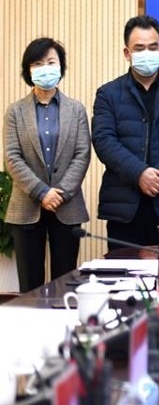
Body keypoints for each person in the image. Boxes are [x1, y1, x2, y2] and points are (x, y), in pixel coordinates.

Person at [92, 15, 159, 249]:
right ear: (127, 53)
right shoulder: (108, 94)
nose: (147, 53)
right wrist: (139, 173)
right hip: (124, 208)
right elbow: (103, 141)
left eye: (152, 47)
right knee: (123, 270)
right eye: (139, 48)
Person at [3, 38, 91, 292]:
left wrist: (60, 193)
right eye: (38, 63)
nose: (45, 68)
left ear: (61, 67)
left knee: (65, 282)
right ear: (28, 70)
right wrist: (42, 192)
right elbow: (12, 157)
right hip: (26, 206)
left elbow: (82, 153)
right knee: (30, 285)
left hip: (67, 205)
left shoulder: (76, 110)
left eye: (51, 62)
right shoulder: (15, 111)